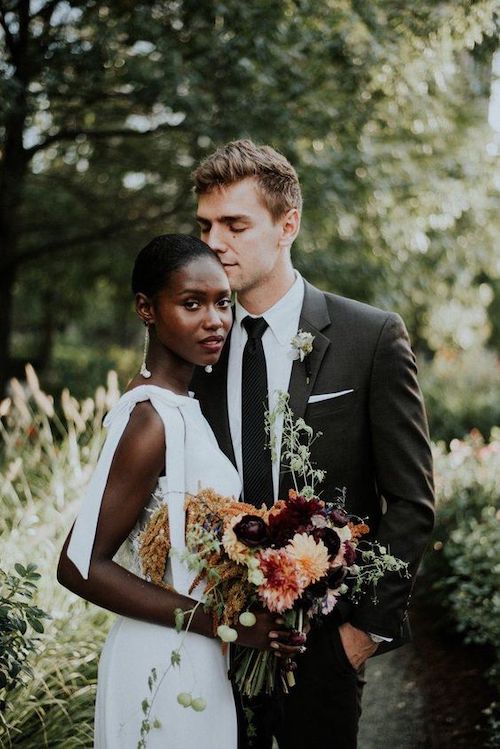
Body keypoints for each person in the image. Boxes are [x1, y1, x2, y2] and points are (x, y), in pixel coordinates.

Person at [191, 140, 435, 749]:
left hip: (323, 647)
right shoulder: (195, 348)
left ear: (287, 225)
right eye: (205, 226)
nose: (214, 242)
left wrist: (359, 638)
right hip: (213, 644)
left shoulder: (369, 337)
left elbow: (411, 501)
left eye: (235, 224)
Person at [57, 234, 301, 749]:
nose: (215, 320)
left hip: (196, 654)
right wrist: (222, 624)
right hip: (160, 660)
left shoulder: (183, 408)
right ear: (146, 308)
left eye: (222, 303)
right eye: (192, 303)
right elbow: (79, 566)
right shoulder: (151, 418)